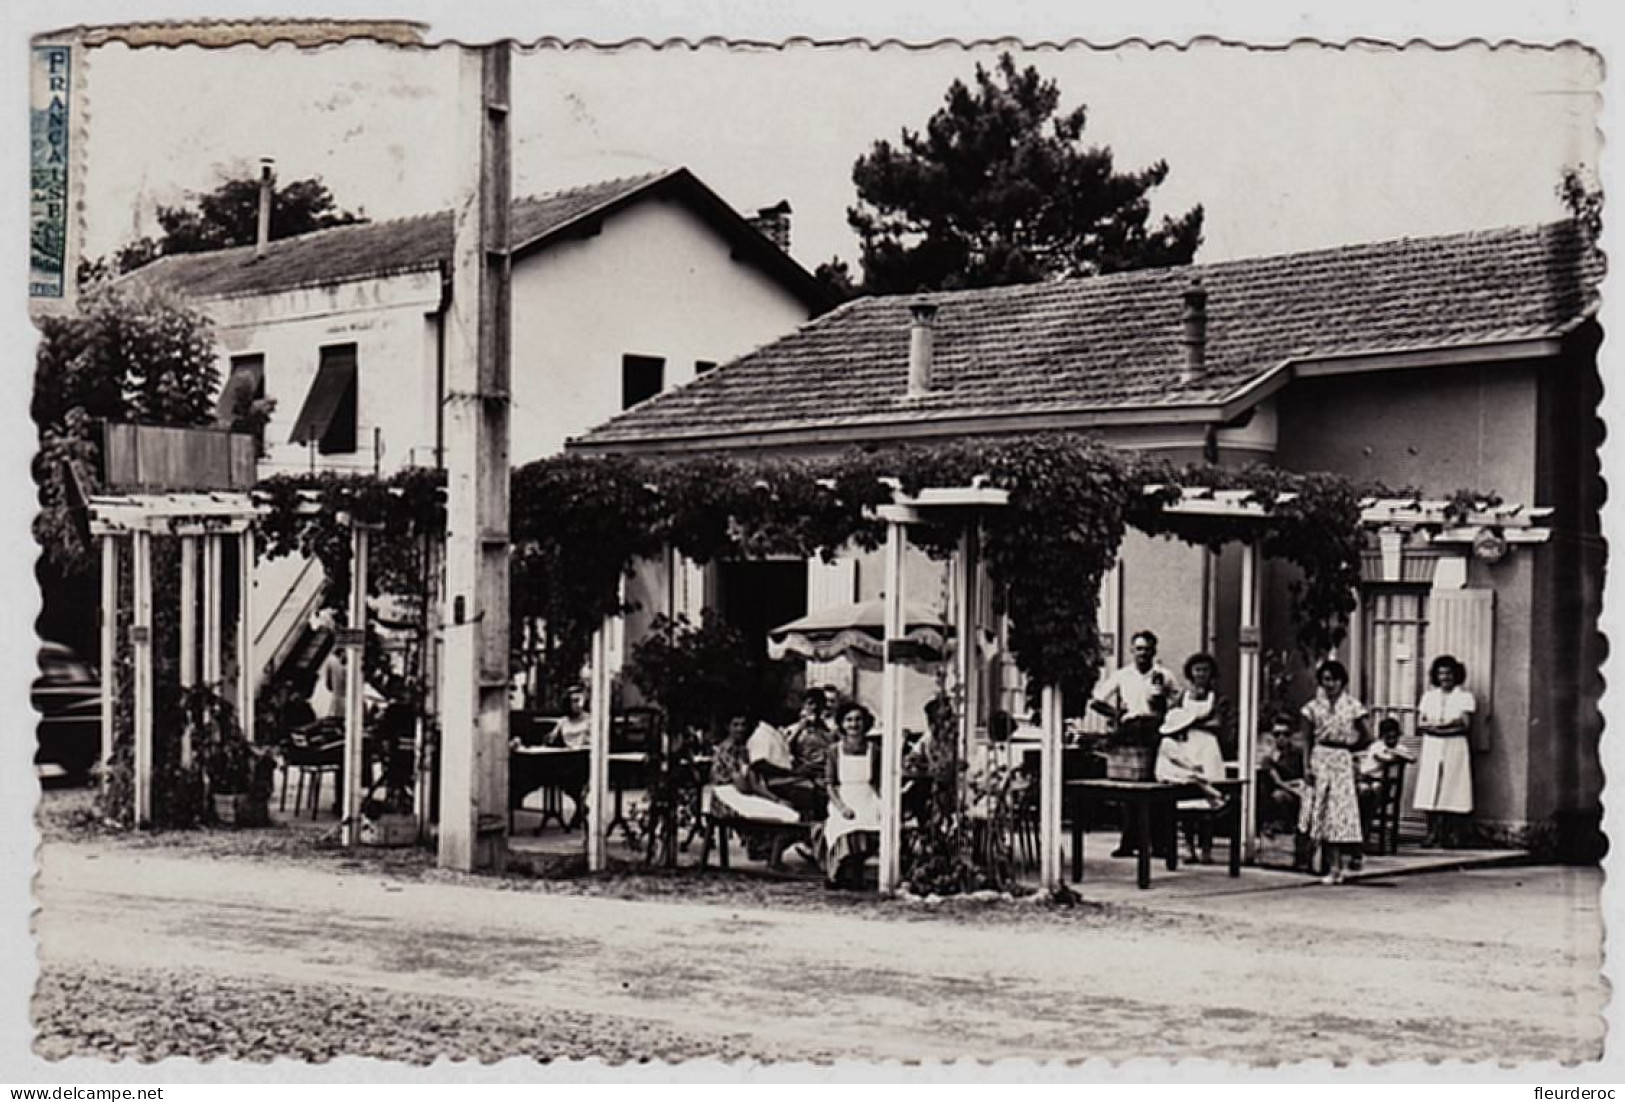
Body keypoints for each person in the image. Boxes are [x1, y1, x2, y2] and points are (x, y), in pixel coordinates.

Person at [1299, 659, 1372, 885]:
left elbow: (1368, 735)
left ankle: (1348, 858)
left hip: (1341, 759)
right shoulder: (1313, 708)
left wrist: (1351, 748)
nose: (1330, 684)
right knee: (1320, 811)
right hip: (1320, 757)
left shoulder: (1352, 706)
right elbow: (1306, 739)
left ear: (1343, 682)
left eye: (1335, 680)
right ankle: (1331, 865)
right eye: (1326, 679)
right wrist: (1306, 767)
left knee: (1340, 813)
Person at [1413, 654, 1476, 848]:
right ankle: (1431, 832)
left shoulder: (1464, 697)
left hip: (1455, 745)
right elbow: (1420, 724)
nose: (1444, 678)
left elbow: (1464, 725)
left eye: (1448, 673)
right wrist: (1442, 727)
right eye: (1440, 673)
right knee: (1429, 786)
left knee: (1453, 786)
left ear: (1455, 674)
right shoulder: (1429, 696)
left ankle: (1451, 834)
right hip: (1432, 744)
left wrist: (1440, 728)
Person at [1154, 705, 1227, 863]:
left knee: (1205, 816)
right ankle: (1189, 849)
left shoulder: (1206, 740)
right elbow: (1166, 766)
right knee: (1186, 816)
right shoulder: (1168, 743)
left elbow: (1211, 765)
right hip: (1177, 781)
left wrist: (1202, 774)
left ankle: (1206, 850)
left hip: (1199, 781)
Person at [824, 702, 882, 889]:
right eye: (848, 720)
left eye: (858, 719)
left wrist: (882, 802)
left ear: (865, 723)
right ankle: (838, 872)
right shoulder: (834, 750)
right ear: (842, 724)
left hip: (867, 795)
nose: (853, 724)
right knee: (845, 827)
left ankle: (857, 871)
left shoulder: (874, 750)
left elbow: (879, 781)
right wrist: (841, 807)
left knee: (873, 824)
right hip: (844, 796)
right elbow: (830, 784)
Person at [1357, 716, 1415, 847]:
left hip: (1383, 783)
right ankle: (1358, 834)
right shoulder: (1377, 746)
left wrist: (1396, 752)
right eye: (1388, 737)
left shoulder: (1400, 747)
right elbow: (1381, 758)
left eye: (1395, 737)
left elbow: (1412, 758)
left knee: (1372, 794)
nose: (1392, 740)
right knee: (1363, 794)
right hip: (1367, 778)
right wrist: (1393, 754)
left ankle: (1364, 834)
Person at [1179, 652, 1236, 761]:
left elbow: (1218, 723)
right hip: (1185, 745)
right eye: (1197, 670)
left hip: (1210, 745)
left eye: (1205, 670)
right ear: (1190, 672)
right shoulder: (1182, 697)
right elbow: (1173, 718)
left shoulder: (1219, 699)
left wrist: (1188, 723)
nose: (1201, 674)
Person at [549, 684, 592, 749]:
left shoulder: (590, 720)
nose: (580, 704)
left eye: (581, 701)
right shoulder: (563, 721)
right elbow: (551, 739)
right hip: (568, 754)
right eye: (575, 701)